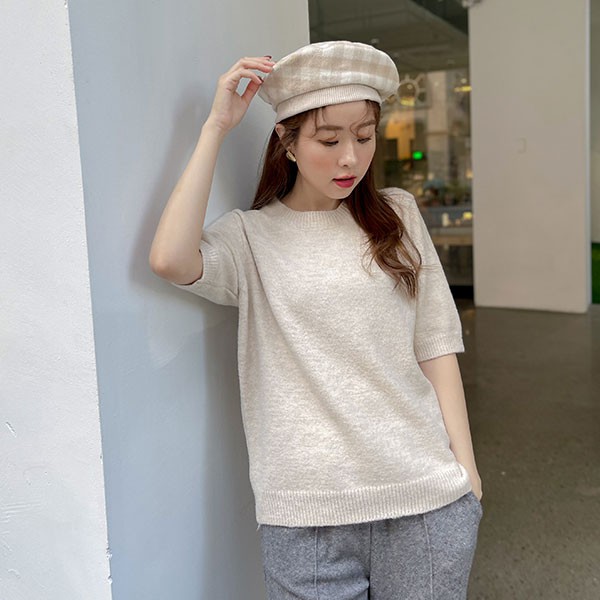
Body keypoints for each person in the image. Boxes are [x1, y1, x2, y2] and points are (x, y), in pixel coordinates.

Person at [150, 40, 483, 600]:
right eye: (329, 140)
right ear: (288, 143)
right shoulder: (251, 238)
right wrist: (216, 127)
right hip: (306, 519)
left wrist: (467, 476)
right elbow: (169, 259)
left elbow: (435, 344)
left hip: (425, 500)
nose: (350, 158)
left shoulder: (398, 216)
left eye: (364, 136)